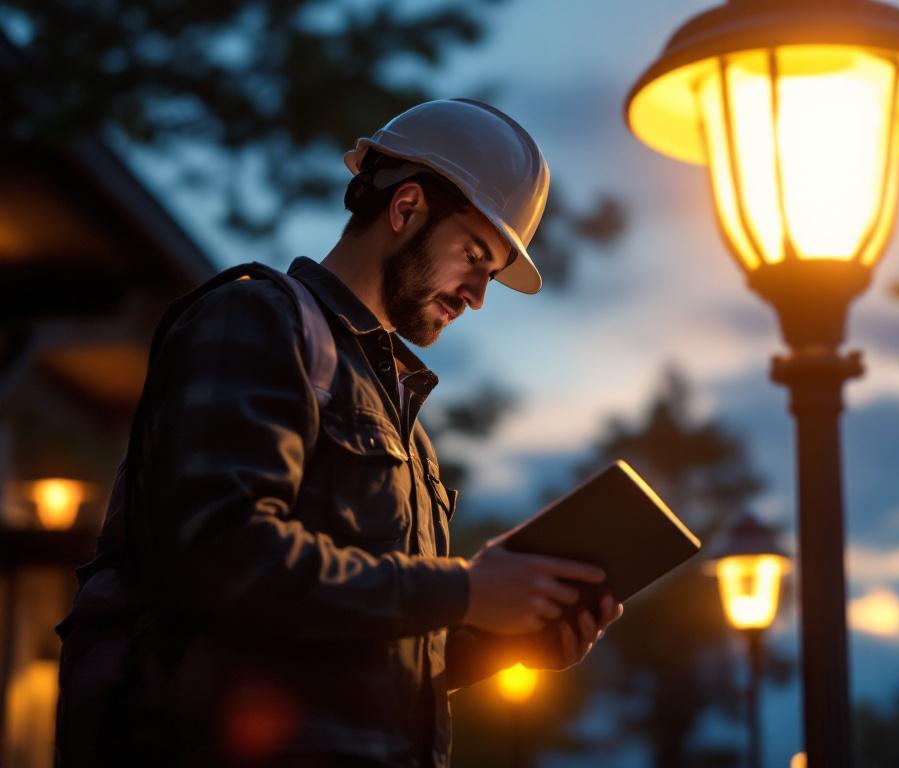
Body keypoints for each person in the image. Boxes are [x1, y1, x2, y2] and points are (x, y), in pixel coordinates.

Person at [61, 99, 621, 767]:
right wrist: (468, 591)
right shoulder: (255, 319)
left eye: (492, 274)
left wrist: (505, 642)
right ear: (406, 208)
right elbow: (220, 556)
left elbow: (354, 662)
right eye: (474, 256)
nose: (478, 294)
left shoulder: (408, 432)